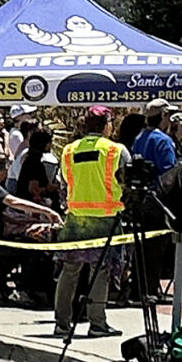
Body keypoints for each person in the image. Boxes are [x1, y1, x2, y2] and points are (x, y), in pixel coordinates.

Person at [49, 107, 126, 337]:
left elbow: (63, 182)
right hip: (105, 219)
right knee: (100, 271)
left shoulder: (68, 151)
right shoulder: (115, 150)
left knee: (69, 270)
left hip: (76, 219)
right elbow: (128, 182)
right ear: (106, 125)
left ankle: (62, 324)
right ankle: (97, 323)